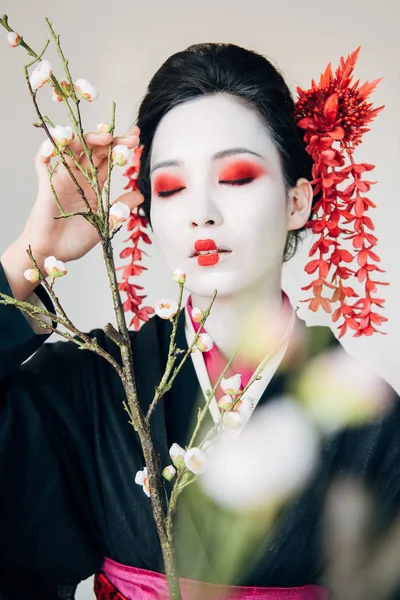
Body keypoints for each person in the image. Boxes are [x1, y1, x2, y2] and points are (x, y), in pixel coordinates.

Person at [0, 42, 398, 600]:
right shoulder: (102, 380)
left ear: (297, 202)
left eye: (235, 176)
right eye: (170, 186)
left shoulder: (369, 419)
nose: (201, 209)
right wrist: (33, 252)